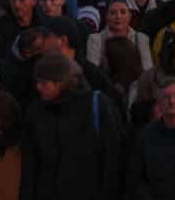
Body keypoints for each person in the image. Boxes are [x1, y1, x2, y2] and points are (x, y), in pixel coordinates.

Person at [21, 53, 123, 200]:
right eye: (37, 82)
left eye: (44, 83)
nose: (38, 87)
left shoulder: (96, 104)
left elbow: (113, 156)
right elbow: (30, 163)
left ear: (60, 82)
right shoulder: (36, 111)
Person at [86, 0, 152, 70]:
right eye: (113, 13)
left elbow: (147, 70)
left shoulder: (141, 38)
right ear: (106, 16)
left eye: (123, 12)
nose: (118, 16)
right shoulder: (95, 39)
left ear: (129, 16)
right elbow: (92, 71)